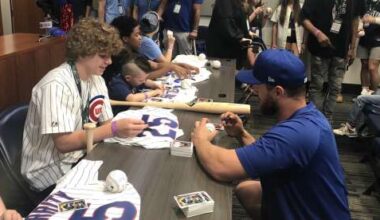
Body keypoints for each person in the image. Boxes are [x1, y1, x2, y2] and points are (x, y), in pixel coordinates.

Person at [191, 49, 350, 219]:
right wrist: (241, 134)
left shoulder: (296, 134)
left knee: (243, 186)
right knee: (246, 190)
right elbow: (273, 153)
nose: (253, 90)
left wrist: (200, 138)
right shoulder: (309, 115)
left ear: (278, 92)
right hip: (308, 199)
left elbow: (220, 167)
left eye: (258, 85)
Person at [21, 18, 148, 194]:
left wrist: (122, 128)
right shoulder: (55, 85)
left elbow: (106, 123)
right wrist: (115, 128)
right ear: (82, 52)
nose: (109, 61)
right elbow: (64, 143)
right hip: (49, 171)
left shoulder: (97, 80)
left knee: (133, 171)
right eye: (103, 56)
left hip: (80, 157)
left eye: (110, 55)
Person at [300, 0, 364, 123]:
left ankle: (327, 119)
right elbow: (303, 18)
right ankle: (314, 119)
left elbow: (355, 19)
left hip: (341, 48)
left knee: (335, 87)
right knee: (317, 85)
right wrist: (317, 33)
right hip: (319, 47)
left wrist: (353, 47)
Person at [106, 15, 197, 81]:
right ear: (125, 38)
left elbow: (154, 65)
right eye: (136, 35)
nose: (140, 37)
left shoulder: (132, 50)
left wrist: (178, 65)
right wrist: (171, 67)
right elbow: (143, 77)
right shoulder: (120, 56)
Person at [206, 0, 253, 69]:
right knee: (225, 76)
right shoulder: (225, 2)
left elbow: (235, 18)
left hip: (230, 48)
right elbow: (226, 23)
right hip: (223, 50)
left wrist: (246, 32)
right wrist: (240, 37)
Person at [357, 0, 380, 95]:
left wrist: (374, 20)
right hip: (364, 38)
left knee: (372, 67)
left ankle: (375, 96)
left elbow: (372, 19)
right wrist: (359, 26)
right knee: (364, 64)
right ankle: (364, 93)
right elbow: (358, 16)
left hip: (378, 39)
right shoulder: (364, 2)